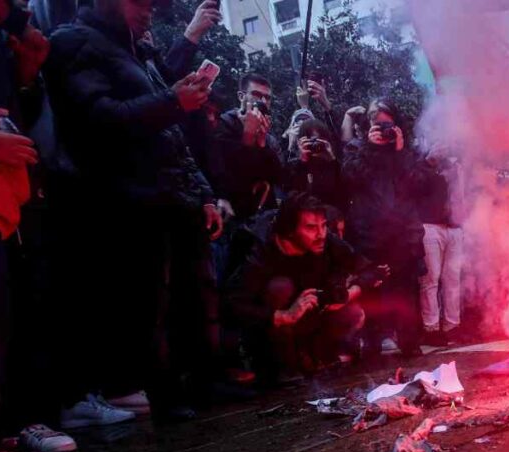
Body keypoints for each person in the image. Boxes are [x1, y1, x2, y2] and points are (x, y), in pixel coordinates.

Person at [45, 0, 223, 421]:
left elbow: (173, 136)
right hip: (126, 196)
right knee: (144, 300)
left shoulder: (136, 54)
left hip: (169, 193)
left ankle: (195, 382)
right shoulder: (72, 42)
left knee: (188, 294)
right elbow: (97, 120)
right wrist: (172, 101)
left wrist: (204, 194)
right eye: (139, 1)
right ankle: (145, 388)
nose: (149, 11)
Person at [0, 0, 78, 452]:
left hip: (8, 205)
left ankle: (8, 432)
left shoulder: (3, 45)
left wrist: (26, 70)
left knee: (12, 316)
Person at [226, 193, 378, 381]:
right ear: (289, 230)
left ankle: (317, 356)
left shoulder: (324, 240)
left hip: (312, 317)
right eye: (311, 227)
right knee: (280, 288)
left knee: (351, 312)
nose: (321, 234)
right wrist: (283, 316)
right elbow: (233, 303)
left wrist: (348, 293)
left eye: (323, 225)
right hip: (269, 328)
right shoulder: (259, 251)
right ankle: (279, 365)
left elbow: (372, 270)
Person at [341, 99, 426, 357]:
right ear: (369, 125)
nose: (384, 129)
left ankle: (409, 343)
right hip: (369, 234)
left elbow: (419, 185)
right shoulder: (358, 148)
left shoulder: (407, 152)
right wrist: (370, 148)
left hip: (402, 235)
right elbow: (348, 178)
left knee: (406, 291)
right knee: (372, 291)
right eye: (378, 124)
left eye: (389, 124)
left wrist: (400, 152)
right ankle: (372, 345)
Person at [213, 73, 282, 220]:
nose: (263, 101)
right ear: (241, 96)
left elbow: (276, 176)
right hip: (232, 212)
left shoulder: (269, 134)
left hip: (262, 213)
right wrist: (249, 136)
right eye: (257, 95)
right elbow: (228, 173)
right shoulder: (224, 124)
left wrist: (262, 142)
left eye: (267, 97)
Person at [416, 148, 463, 346]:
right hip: (430, 226)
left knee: (452, 278)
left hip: (455, 226)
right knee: (430, 279)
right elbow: (412, 186)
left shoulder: (458, 161)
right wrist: (429, 162)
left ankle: (452, 326)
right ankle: (431, 328)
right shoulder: (421, 161)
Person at [284, 118, 344, 210]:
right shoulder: (294, 165)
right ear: (301, 141)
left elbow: (343, 191)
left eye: (319, 140)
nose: (315, 145)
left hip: (330, 215)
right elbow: (292, 194)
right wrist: (303, 161)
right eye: (311, 141)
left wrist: (332, 159)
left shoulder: (333, 164)